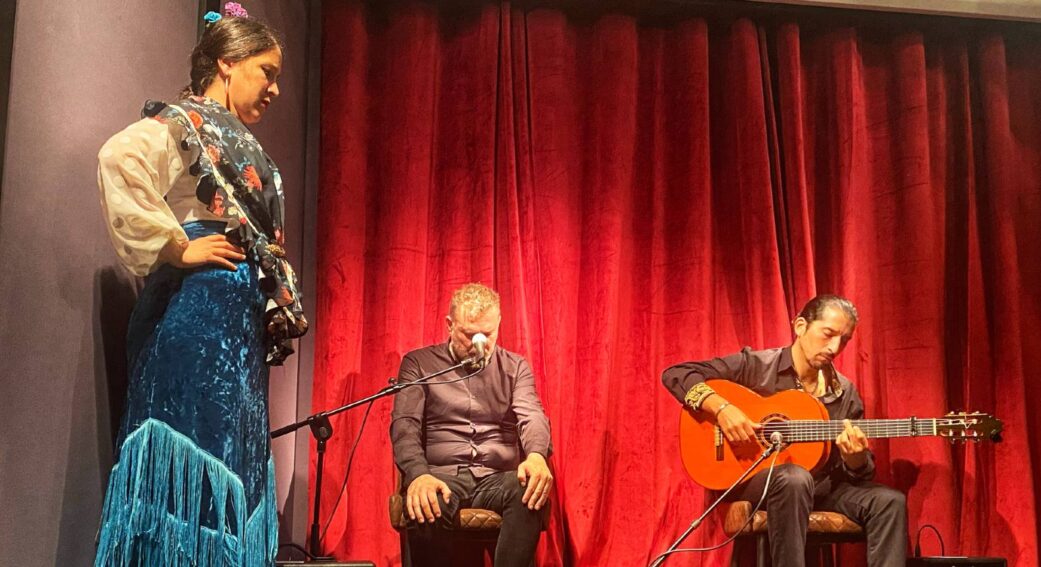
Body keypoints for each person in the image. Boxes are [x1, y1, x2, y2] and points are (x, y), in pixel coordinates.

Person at [94, 10, 307, 566]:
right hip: (194, 319)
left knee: (231, 459)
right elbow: (120, 158)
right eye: (267, 72)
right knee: (189, 449)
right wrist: (178, 246)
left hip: (234, 333)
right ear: (227, 64)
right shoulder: (184, 125)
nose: (275, 88)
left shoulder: (243, 146)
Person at [662, 295, 906, 567]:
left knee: (889, 501)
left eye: (845, 340)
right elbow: (677, 374)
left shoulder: (844, 392)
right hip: (757, 483)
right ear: (800, 326)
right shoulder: (757, 366)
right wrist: (722, 408)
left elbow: (862, 472)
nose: (835, 347)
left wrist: (856, 459)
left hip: (822, 488)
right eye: (828, 334)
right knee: (794, 478)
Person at [391, 283, 553, 567]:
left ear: (499, 325)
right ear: (449, 325)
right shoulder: (419, 363)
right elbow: (405, 425)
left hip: (496, 477)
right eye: (469, 334)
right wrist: (418, 474)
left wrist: (538, 455)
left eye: (488, 334)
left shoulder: (515, 367)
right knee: (427, 502)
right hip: (442, 475)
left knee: (527, 490)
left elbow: (533, 416)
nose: (480, 344)